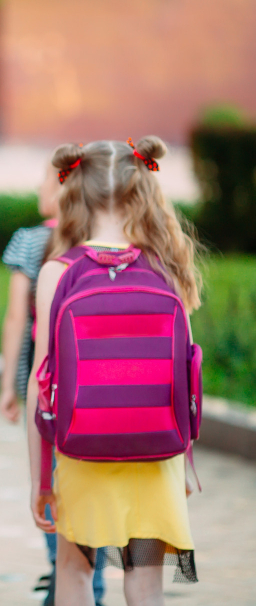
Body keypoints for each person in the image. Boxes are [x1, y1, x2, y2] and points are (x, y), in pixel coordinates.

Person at [27, 137, 201, 606]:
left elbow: (40, 386)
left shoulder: (58, 273)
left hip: (83, 455)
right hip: (157, 455)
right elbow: (183, 373)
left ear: (73, 192)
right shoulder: (167, 270)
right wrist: (184, 459)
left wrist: (41, 479)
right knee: (145, 585)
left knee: (74, 573)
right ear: (143, 191)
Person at [0, 163, 106, 605]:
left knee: (50, 481)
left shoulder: (30, 240)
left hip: (44, 391)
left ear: (63, 189)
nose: (39, 188)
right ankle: (88, 579)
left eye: (44, 181)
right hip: (95, 392)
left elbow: (14, 317)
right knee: (88, 482)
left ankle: (67, 577)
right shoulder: (99, 245)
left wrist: (8, 384)